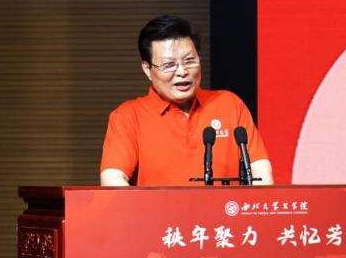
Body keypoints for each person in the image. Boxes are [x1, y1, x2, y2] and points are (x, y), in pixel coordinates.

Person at [100, 14, 274, 186]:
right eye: (169, 65)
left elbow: (260, 172)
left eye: (189, 61)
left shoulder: (229, 104)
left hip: (226, 206)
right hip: (158, 207)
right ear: (147, 69)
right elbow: (113, 180)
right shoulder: (128, 117)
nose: (182, 72)